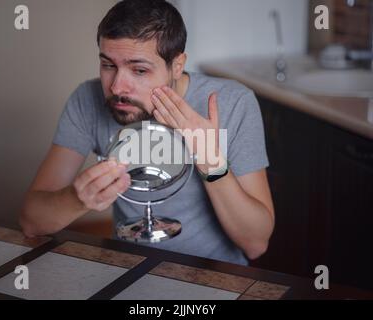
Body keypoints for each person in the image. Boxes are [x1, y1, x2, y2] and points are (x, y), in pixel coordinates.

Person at [19, 0, 275, 265]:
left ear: (177, 66)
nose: (118, 87)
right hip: (129, 269)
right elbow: (31, 221)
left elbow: (256, 243)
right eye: (108, 65)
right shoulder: (87, 99)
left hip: (214, 276)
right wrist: (77, 199)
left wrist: (210, 159)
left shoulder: (233, 103)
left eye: (139, 70)